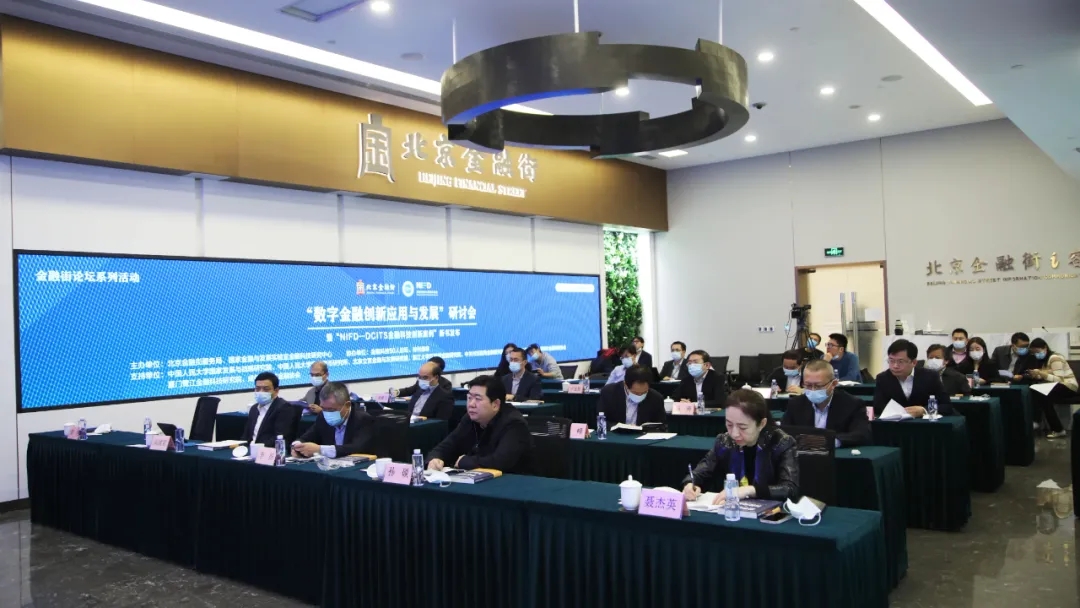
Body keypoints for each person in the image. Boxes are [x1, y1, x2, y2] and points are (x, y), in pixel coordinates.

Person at [681, 389, 799, 504]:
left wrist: (751, 490)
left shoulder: (782, 443)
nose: (734, 434)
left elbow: (790, 489)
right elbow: (701, 471)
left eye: (742, 427)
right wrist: (690, 483)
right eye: (729, 425)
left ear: (762, 424)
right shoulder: (725, 441)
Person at [427, 375, 534, 474]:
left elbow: (501, 462)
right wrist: (435, 458)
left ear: (495, 404)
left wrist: (465, 461)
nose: (471, 404)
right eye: (469, 398)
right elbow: (448, 444)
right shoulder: (470, 419)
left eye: (478, 399)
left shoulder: (514, 424)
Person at [780, 360, 871, 446]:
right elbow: (784, 432)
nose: (813, 390)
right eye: (808, 385)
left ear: (833, 384)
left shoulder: (852, 404)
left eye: (818, 386)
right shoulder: (796, 404)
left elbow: (862, 434)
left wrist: (832, 441)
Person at [291, 381, 377, 457]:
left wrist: (320, 450)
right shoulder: (322, 417)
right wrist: (297, 447)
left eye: (331, 409)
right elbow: (305, 438)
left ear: (347, 406)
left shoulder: (363, 419)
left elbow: (356, 448)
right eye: (323, 408)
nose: (327, 413)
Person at [873, 339, 952, 418]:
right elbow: (878, 407)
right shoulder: (882, 378)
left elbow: (946, 405)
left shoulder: (930, 377)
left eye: (900, 361)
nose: (895, 366)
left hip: (924, 423)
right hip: (895, 424)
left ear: (914, 362)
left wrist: (924, 410)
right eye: (891, 361)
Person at [1023, 338, 1077, 439]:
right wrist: (1036, 375)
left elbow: (1059, 379)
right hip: (1057, 386)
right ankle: (1057, 429)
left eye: (1038, 351)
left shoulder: (1055, 358)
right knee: (1042, 396)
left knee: (1039, 393)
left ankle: (1038, 421)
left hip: (1068, 386)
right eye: (1034, 353)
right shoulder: (1045, 361)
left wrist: (1041, 373)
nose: (1036, 355)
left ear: (1045, 348)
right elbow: (1049, 376)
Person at [597, 364, 667, 426]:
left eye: (644, 392)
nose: (640, 395)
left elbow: (661, 426)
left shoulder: (656, 398)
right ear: (625, 384)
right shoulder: (609, 393)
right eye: (635, 393)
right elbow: (601, 421)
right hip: (616, 434)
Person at [241, 372, 296, 449]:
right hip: (250, 450)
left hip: (269, 450)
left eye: (266, 389)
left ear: (276, 391)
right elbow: (246, 436)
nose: (261, 392)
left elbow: (279, 437)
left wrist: (258, 447)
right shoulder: (254, 408)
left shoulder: (284, 408)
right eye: (258, 389)